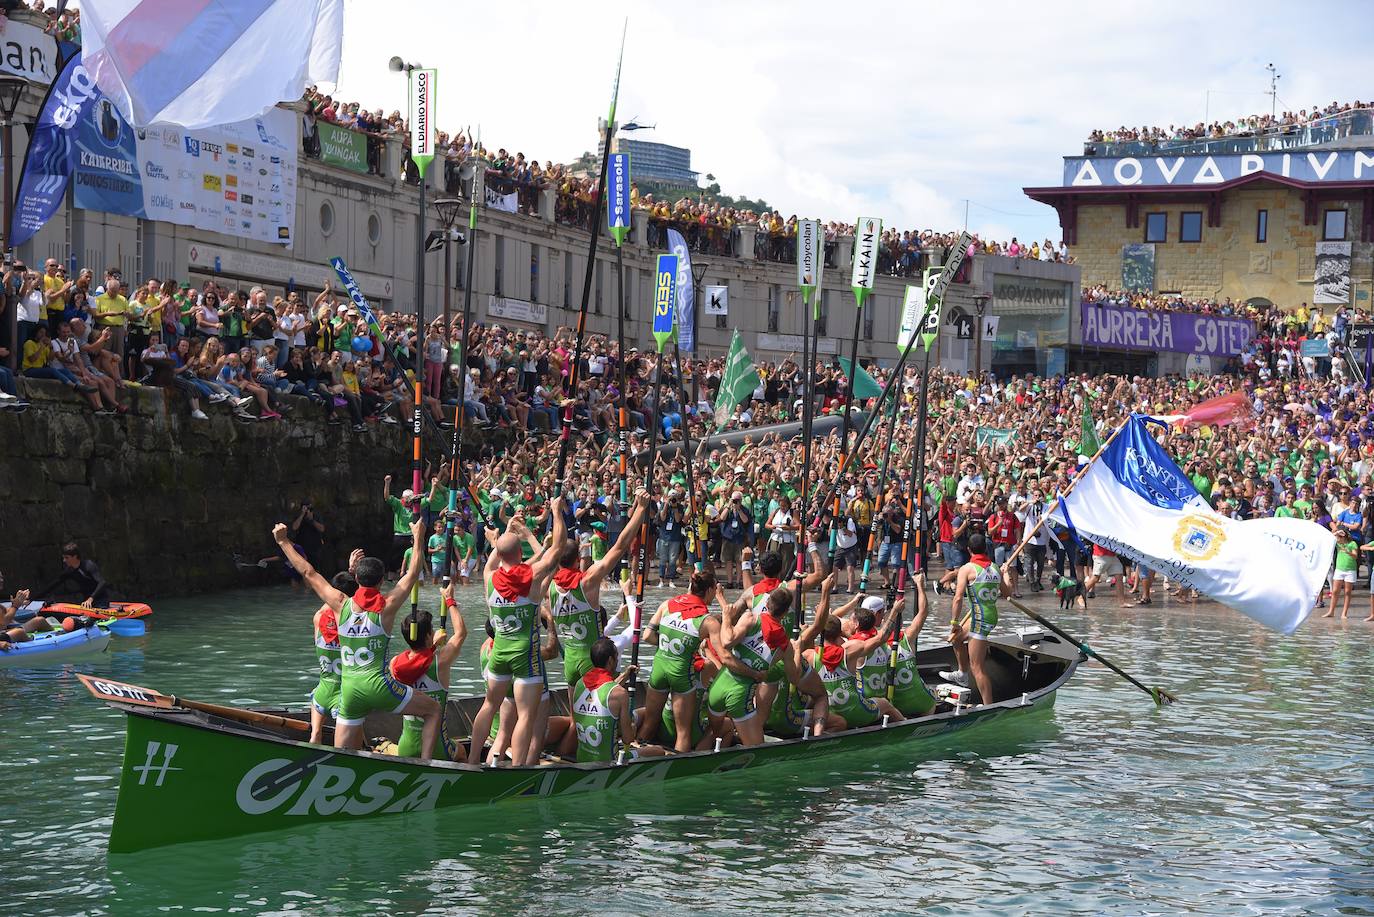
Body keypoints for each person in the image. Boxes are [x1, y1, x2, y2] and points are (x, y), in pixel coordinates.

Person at [274, 518, 443, 760]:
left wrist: (283, 542)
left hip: (350, 690)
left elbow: (308, 571)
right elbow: (413, 573)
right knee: (433, 710)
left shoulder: (338, 604)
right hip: (379, 686)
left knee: (341, 754)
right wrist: (418, 537)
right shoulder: (386, 608)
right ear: (382, 581)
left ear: (357, 580)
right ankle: (425, 764)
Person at [466, 501, 567, 766]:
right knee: (526, 716)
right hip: (526, 657)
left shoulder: (488, 578)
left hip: (498, 652)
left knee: (489, 706)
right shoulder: (532, 578)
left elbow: (494, 561)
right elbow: (556, 550)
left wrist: (496, 539)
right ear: (520, 554)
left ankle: (473, 759)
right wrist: (556, 511)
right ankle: (518, 767)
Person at [549, 489, 650, 754]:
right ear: (577, 560)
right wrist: (640, 510)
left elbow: (550, 549)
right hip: (592, 660)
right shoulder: (587, 581)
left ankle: (563, 757)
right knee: (608, 711)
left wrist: (555, 513)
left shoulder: (547, 585)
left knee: (577, 719)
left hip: (569, 661)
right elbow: (618, 548)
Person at [545, 636, 666, 763]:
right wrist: (632, 729)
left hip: (582, 757)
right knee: (658, 751)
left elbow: (603, 690)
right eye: (616, 657)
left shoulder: (580, 684)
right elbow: (628, 739)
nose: (618, 659)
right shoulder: (620, 693)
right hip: (610, 760)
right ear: (610, 660)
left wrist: (625, 675)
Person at [386, 584, 468, 761]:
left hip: (406, 745)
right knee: (461, 751)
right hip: (437, 746)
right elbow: (461, 633)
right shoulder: (441, 660)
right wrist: (449, 600)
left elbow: (416, 664)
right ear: (429, 635)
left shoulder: (395, 664)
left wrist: (431, 646)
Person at [806, 594, 904, 730]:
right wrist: (895, 611)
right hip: (856, 712)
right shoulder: (850, 651)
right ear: (839, 633)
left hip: (829, 712)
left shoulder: (810, 656)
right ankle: (905, 726)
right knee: (885, 703)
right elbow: (882, 637)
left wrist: (818, 623)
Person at [942, 533, 1012, 706]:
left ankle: (988, 706)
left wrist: (954, 622)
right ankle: (962, 674)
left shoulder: (967, 569)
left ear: (968, 550)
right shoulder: (995, 567)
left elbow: (957, 598)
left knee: (978, 667)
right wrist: (1005, 574)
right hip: (986, 615)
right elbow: (1007, 593)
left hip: (980, 620)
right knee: (957, 639)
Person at [307, 569, 355, 744]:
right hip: (344, 697)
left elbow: (330, 598)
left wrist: (348, 573)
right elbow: (350, 603)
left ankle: (315, 736)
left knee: (315, 736)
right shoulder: (353, 628)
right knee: (347, 746)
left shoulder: (318, 618)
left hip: (322, 694)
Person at [33, 543, 110, 607]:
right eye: (63, 558)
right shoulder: (70, 571)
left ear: (75, 556)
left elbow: (102, 582)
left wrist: (91, 598)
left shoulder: (88, 565)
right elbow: (52, 585)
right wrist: (31, 599)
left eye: (67, 558)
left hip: (100, 600)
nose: (64, 561)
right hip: (86, 602)